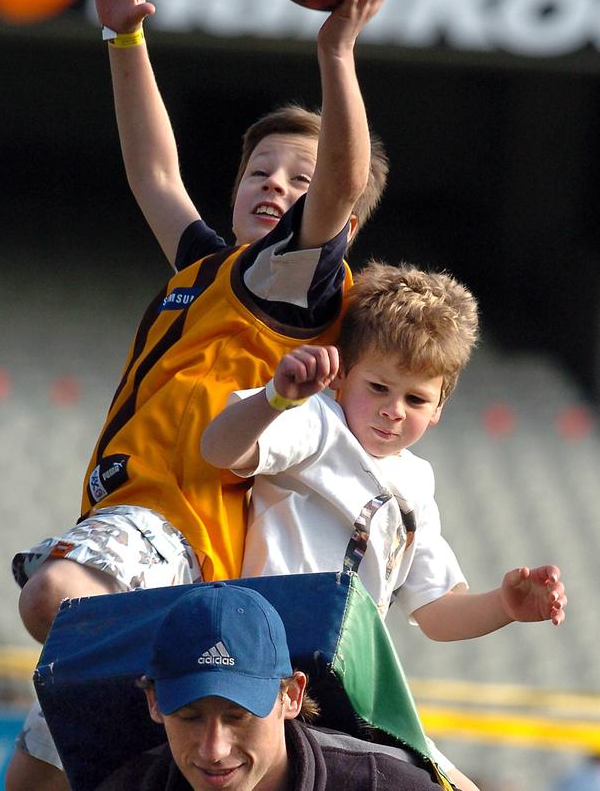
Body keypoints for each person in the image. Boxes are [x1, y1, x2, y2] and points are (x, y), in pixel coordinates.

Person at [5, 0, 398, 790]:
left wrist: (337, 53)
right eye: (260, 170)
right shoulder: (211, 273)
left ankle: (192, 669)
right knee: (28, 778)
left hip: (171, 524)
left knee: (53, 599)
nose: (275, 187)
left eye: (297, 180)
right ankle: (192, 689)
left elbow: (339, 185)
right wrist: (123, 35)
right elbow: (153, 172)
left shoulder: (296, 284)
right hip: (149, 537)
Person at [201, 260, 568, 790]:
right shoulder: (317, 423)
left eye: (416, 399)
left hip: (351, 678)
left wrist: (505, 606)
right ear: (344, 373)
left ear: (440, 406)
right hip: (272, 647)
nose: (393, 410)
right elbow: (218, 449)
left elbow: (438, 611)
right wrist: (276, 397)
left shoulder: (418, 482)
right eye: (378, 388)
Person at [94, 581, 447, 791]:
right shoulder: (130, 786)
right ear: (154, 702)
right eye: (189, 716)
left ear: (291, 695)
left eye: (238, 716)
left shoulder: (379, 784)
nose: (213, 750)